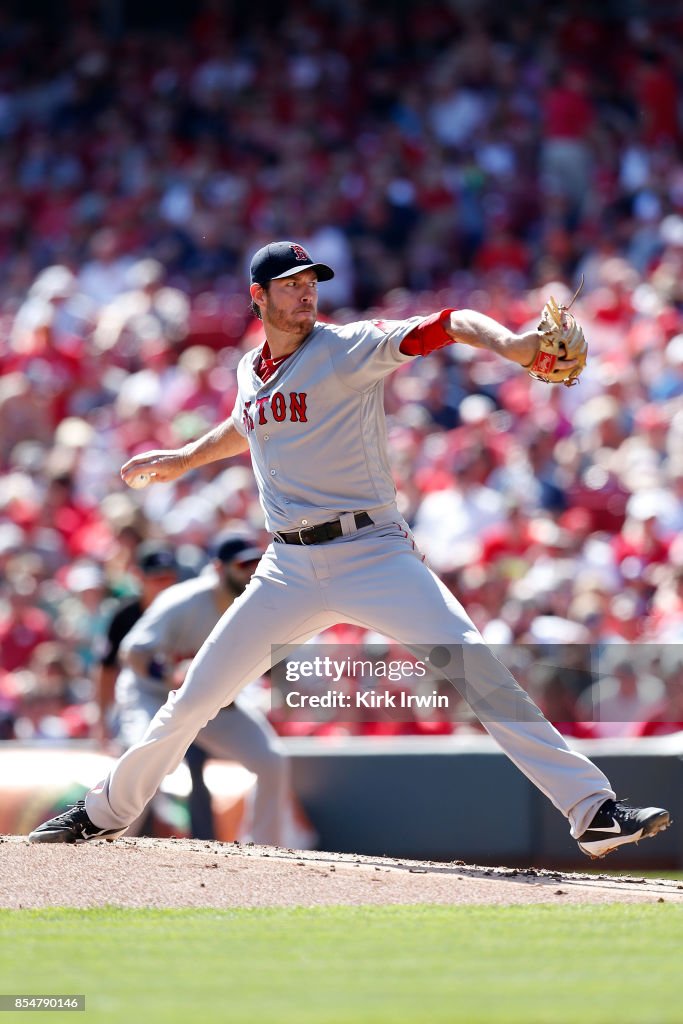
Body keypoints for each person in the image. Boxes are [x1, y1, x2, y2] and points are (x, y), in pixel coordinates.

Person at [30, 240, 670, 860]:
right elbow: (248, 422)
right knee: (196, 695)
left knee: (478, 670)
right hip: (288, 566)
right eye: (291, 285)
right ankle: (104, 812)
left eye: (311, 283)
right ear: (259, 296)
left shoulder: (347, 348)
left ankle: (592, 810)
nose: (306, 293)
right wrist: (186, 458)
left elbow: (449, 323)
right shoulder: (248, 370)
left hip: (373, 551)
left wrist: (513, 344)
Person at [105, 532, 292, 846]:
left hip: (207, 699)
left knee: (271, 760)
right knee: (143, 762)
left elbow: (274, 661)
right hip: (151, 694)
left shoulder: (260, 607)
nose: (251, 570)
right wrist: (169, 675)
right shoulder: (184, 599)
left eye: (256, 562)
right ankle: (104, 845)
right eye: (242, 564)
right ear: (218, 569)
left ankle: (266, 848)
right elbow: (133, 653)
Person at [96, 539, 214, 839]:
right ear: (139, 577)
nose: (164, 584)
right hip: (143, 698)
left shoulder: (187, 609)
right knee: (139, 759)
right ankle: (116, 838)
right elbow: (107, 670)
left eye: (168, 577)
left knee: (195, 770)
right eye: (156, 578)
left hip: (184, 700)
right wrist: (102, 720)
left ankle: (201, 842)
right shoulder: (126, 615)